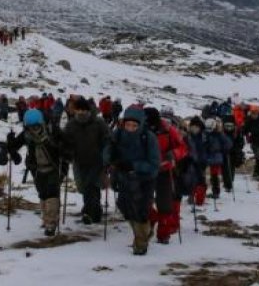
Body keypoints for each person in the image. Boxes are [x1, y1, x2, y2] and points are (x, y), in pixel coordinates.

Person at [104, 106, 160, 255]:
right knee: (125, 208)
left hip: (144, 180)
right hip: (124, 179)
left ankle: (140, 244)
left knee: (140, 212)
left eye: (134, 125)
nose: (130, 128)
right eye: (128, 125)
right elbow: (107, 151)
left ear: (141, 124)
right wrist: (109, 158)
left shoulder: (148, 138)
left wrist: (133, 165)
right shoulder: (118, 135)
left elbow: (154, 165)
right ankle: (145, 232)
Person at [1, 109, 64, 236]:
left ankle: (50, 224)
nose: (33, 129)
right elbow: (15, 147)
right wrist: (10, 142)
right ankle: (48, 220)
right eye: (31, 126)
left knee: (51, 195)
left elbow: (65, 145)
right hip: (37, 169)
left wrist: (65, 162)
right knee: (43, 194)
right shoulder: (28, 134)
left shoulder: (51, 131)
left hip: (52, 168)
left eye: (35, 126)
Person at [62, 98, 111, 224]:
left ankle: (88, 213)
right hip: (79, 161)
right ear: (75, 110)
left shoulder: (98, 123)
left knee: (91, 185)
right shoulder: (71, 125)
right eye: (79, 109)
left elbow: (107, 139)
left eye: (84, 110)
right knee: (85, 187)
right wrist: (67, 153)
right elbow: (66, 142)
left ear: (89, 110)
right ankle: (96, 211)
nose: (82, 112)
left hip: (97, 161)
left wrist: (106, 155)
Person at [144, 107, 188, 245]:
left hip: (164, 170)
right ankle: (152, 218)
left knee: (165, 204)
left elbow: (183, 148)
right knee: (144, 201)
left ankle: (163, 234)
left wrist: (173, 154)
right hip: (146, 171)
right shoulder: (140, 130)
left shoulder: (169, 130)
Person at [204, 118, 232, 199]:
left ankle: (215, 192)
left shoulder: (219, 134)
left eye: (210, 128)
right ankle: (202, 191)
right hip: (206, 155)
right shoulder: (205, 133)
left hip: (216, 157)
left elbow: (228, 144)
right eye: (207, 128)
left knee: (214, 175)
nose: (208, 130)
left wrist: (223, 150)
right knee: (202, 174)